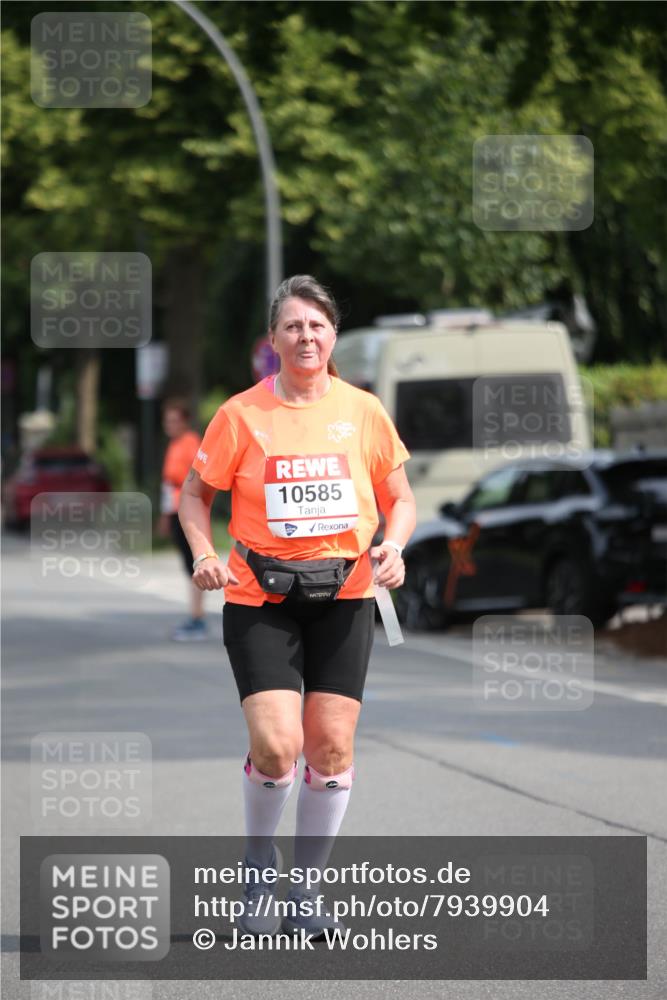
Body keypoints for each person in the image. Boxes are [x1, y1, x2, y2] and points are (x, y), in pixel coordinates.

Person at [179, 275, 416, 937]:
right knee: (279, 747)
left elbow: (401, 499)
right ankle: (259, 867)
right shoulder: (240, 415)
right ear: (274, 339)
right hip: (260, 595)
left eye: (316, 325)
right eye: (293, 326)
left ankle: (306, 891)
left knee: (331, 748)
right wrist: (203, 552)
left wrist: (393, 546)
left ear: (331, 334)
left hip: (344, 595)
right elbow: (194, 496)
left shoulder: (364, 411)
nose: (305, 336)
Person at [158, 398, 205, 641]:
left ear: (185, 421)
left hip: (187, 510)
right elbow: (168, 484)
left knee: (195, 564)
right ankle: (195, 615)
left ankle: (197, 619)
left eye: (175, 420)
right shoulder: (174, 444)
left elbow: (197, 480)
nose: (170, 425)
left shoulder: (190, 443)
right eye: (167, 421)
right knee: (188, 566)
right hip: (175, 510)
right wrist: (165, 515)